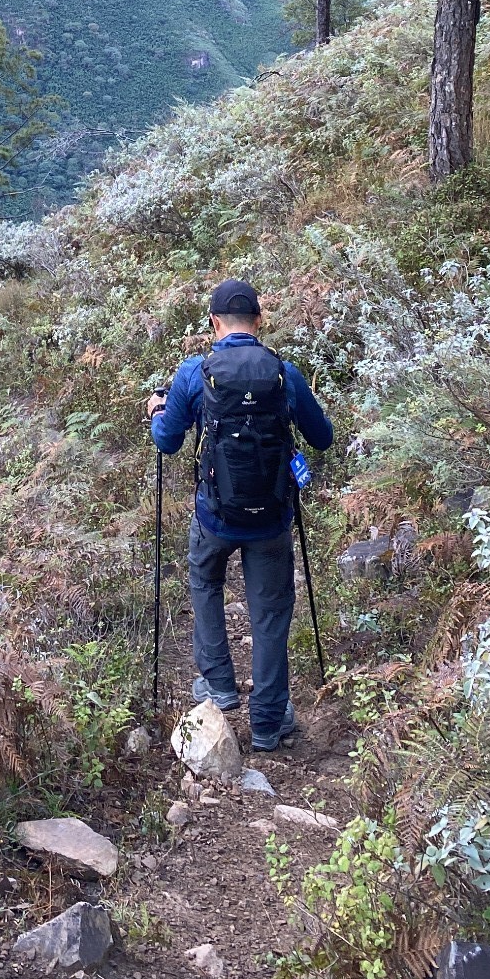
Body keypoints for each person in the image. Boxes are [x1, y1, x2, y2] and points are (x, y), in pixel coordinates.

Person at [146, 276, 332, 752]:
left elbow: (168, 441)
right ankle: (269, 723)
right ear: (259, 321)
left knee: (205, 581)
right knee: (270, 613)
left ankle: (219, 687)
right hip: (271, 517)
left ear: (213, 323)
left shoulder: (196, 371)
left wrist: (156, 412)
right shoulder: (282, 373)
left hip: (215, 516)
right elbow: (323, 437)